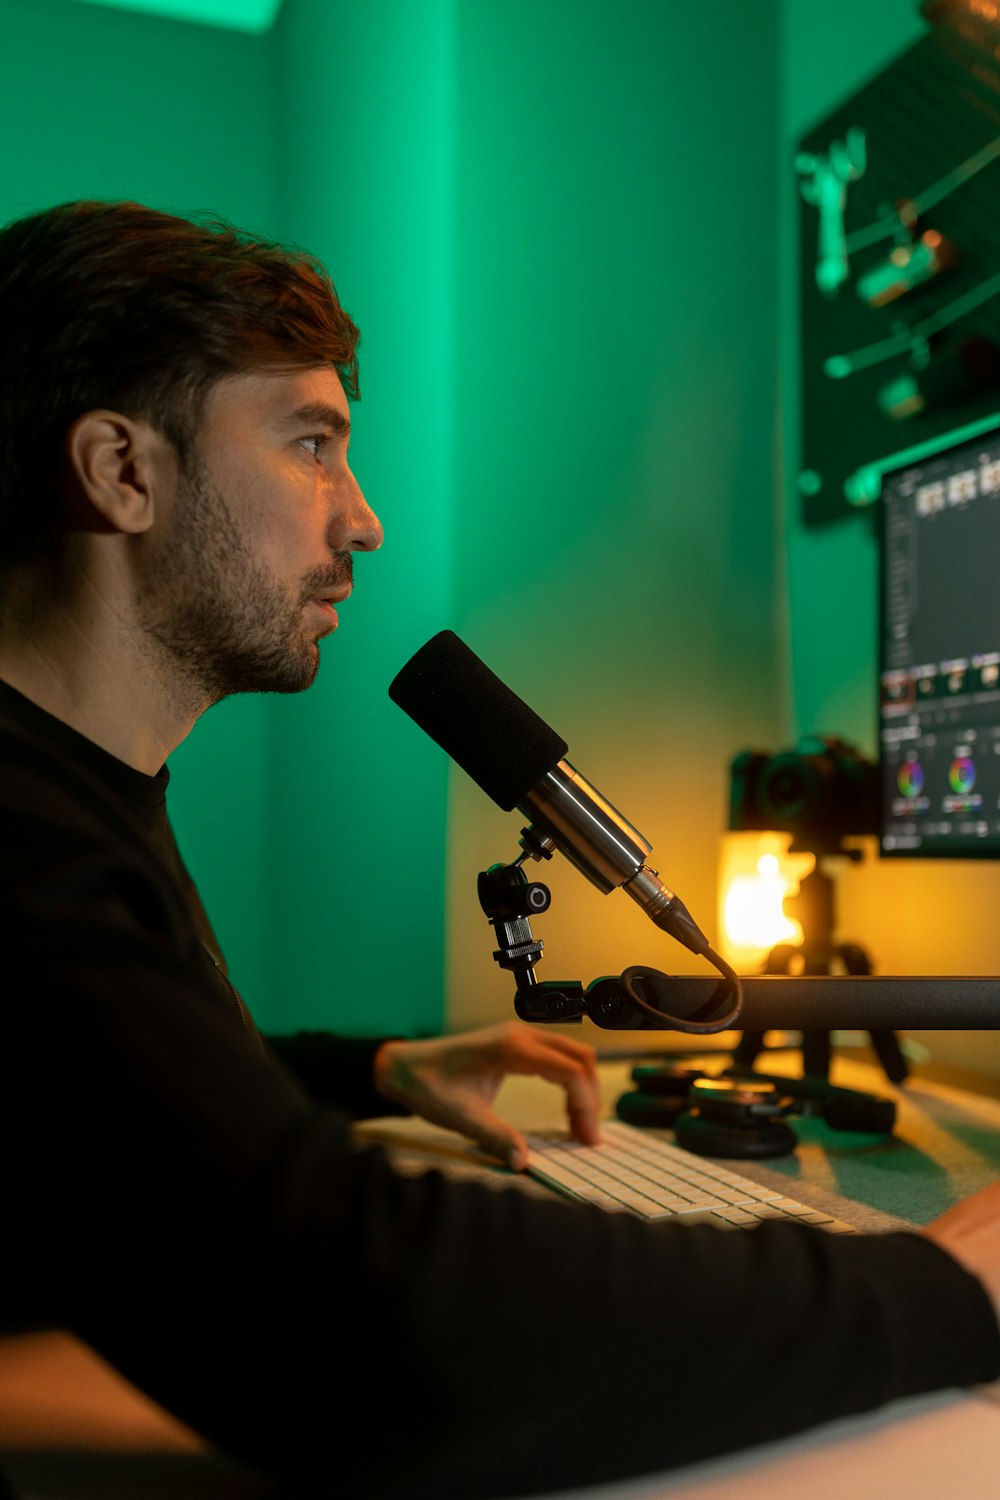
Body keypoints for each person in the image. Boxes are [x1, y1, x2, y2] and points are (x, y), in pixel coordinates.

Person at [0, 199, 998, 1500]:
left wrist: (367, 1069)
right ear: (123, 472)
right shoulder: (24, 843)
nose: (362, 521)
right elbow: (357, 1317)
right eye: (312, 446)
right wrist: (940, 1289)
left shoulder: (68, 798)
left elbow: (115, 1102)